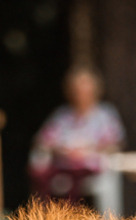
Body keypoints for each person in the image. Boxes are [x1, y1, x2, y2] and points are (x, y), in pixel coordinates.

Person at [29, 67, 125, 204]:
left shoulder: (105, 115)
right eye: (77, 91)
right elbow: (43, 141)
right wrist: (63, 151)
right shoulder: (62, 115)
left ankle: (72, 219)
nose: (81, 95)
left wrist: (87, 151)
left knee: (73, 182)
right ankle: (45, 217)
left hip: (91, 167)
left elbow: (115, 143)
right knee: (40, 174)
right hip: (62, 165)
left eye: (86, 91)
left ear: (95, 91)